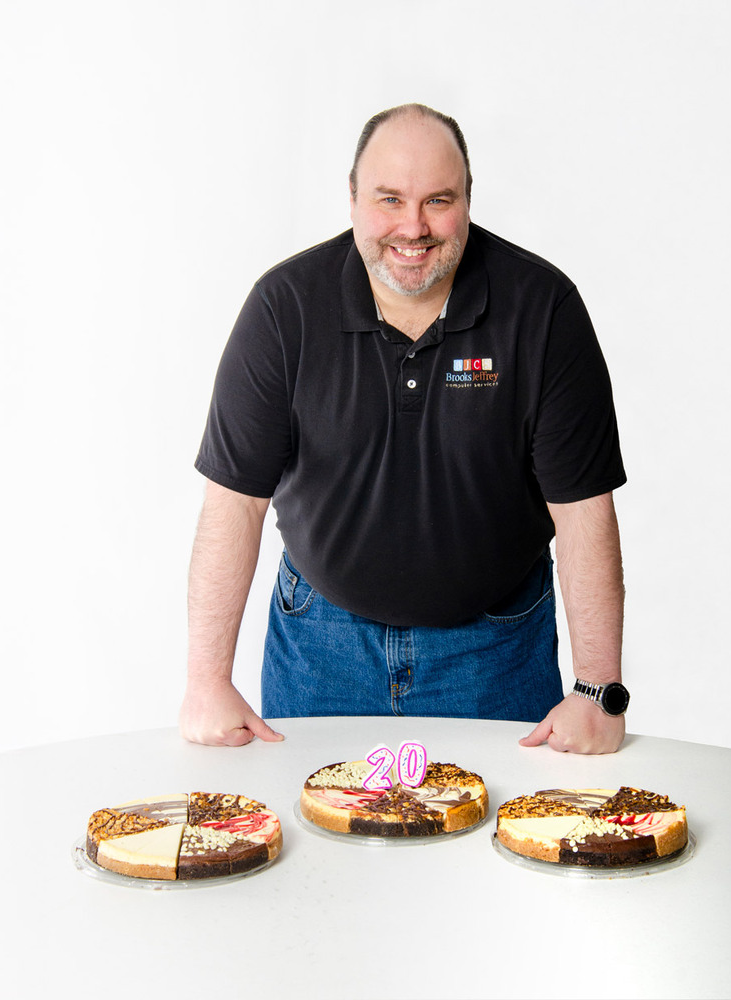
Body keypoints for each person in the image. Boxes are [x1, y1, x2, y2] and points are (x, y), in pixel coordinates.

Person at [179, 103, 629, 755]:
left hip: (494, 651)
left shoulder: (543, 309)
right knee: (320, 849)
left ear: (468, 200)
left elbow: (584, 511)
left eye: (438, 201)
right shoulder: (285, 308)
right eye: (389, 199)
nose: (413, 228)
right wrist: (204, 681)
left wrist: (598, 691)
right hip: (319, 650)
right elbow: (235, 502)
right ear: (354, 199)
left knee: (495, 848)